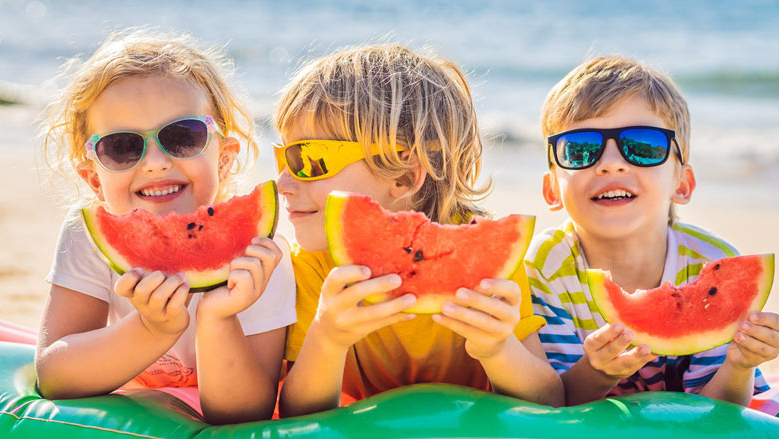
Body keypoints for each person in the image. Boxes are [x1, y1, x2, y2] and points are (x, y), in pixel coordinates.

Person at [275, 44, 564, 417]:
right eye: (281, 157)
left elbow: (550, 401)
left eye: (308, 160)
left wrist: (498, 348)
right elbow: (298, 416)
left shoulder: (484, 260)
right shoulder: (310, 270)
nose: (282, 181)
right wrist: (327, 338)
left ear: (406, 176)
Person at [36, 29, 296, 424]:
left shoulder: (259, 254)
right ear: (94, 180)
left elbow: (246, 412)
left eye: (182, 137)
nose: (155, 162)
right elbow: (54, 376)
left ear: (224, 159)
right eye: (122, 147)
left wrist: (217, 318)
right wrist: (152, 330)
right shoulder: (86, 235)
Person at [530, 56, 779, 406]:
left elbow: (719, 412)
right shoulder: (543, 271)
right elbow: (551, 402)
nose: (611, 163)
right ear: (551, 190)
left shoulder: (714, 263)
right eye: (580, 149)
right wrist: (597, 373)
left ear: (682, 183)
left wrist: (740, 365)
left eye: (643, 145)